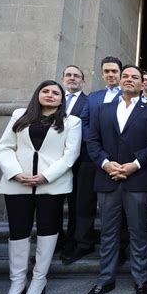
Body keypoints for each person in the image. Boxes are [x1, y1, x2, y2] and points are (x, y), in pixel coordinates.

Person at [0, 80, 81, 294]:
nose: (50, 95)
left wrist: (46, 176)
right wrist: (15, 173)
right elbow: (5, 146)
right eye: (46, 91)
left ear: (62, 99)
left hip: (51, 185)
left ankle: (38, 280)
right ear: (38, 94)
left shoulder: (72, 121)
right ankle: (17, 282)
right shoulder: (19, 116)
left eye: (56, 93)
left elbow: (70, 155)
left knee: (48, 230)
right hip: (18, 183)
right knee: (18, 232)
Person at [83, 65, 147, 294]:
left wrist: (134, 165)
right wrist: (107, 164)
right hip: (107, 179)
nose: (129, 80)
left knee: (138, 232)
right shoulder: (102, 109)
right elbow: (93, 141)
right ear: (119, 81)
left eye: (134, 77)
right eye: (125, 76)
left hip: (137, 179)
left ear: (143, 83)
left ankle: (141, 281)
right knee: (108, 233)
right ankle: (104, 280)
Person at [66, 56, 129, 266]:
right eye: (107, 71)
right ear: (102, 74)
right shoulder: (93, 98)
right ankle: (83, 243)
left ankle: (120, 248)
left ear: (120, 74)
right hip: (90, 158)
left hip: (118, 162)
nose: (111, 75)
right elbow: (83, 121)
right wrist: (93, 142)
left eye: (114, 71)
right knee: (84, 203)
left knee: (118, 206)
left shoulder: (129, 96)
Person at [58, 65, 89, 260]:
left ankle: (78, 242)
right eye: (68, 75)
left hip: (81, 160)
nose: (72, 78)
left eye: (76, 76)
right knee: (53, 204)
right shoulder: (53, 100)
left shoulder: (90, 101)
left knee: (79, 204)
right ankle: (57, 241)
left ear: (83, 81)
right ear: (63, 79)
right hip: (53, 161)